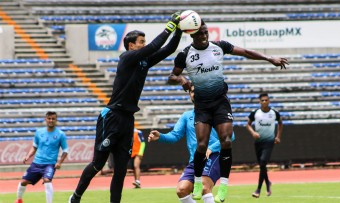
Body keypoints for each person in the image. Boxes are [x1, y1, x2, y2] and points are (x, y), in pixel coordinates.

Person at [168, 20, 288, 202]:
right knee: (201, 145)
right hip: (202, 105)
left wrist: (268, 58)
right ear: (192, 34)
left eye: (206, 32)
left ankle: (223, 185)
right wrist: (181, 79)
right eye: (200, 33)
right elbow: (172, 75)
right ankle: (198, 182)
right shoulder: (185, 54)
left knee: (226, 140)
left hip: (220, 103)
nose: (204, 35)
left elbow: (246, 52)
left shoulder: (219, 46)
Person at [68, 12, 183, 203]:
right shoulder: (127, 57)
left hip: (128, 119)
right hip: (112, 116)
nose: (144, 45)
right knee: (98, 164)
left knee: (121, 170)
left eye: (144, 41)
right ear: (131, 46)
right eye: (141, 41)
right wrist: (169, 26)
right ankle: (75, 197)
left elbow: (168, 49)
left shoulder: (143, 61)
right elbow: (156, 46)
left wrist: (178, 30)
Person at [148, 85, 235, 203]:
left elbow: (231, 136)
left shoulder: (216, 113)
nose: (195, 93)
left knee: (204, 186)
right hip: (196, 160)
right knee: (181, 190)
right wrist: (161, 137)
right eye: (193, 91)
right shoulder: (186, 116)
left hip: (214, 156)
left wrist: (211, 147)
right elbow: (174, 136)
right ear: (189, 95)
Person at [15, 111, 68, 203]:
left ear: (56, 120)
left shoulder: (60, 134)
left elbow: (65, 151)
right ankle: (19, 200)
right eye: (49, 118)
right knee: (23, 182)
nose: (51, 120)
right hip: (36, 163)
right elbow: (34, 147)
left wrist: (59, 162)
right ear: (45, 119)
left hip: (50, 164)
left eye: (53, 119)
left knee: (47, 180)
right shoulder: (39, 132)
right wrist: (28, 156)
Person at [246, 93, 283, 198]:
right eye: (262, 100)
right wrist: (253, 133)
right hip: (258, 142)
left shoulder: (274, 113)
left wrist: (278, 136)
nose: (264, 102)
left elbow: (280, 123)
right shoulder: (255, 113)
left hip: (269, 142)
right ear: (259, 101)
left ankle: (258, 189)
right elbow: (248, 124)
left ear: (269, 101)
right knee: (262, 166)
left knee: (262, 162)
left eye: (266, 100)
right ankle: (268, 183)